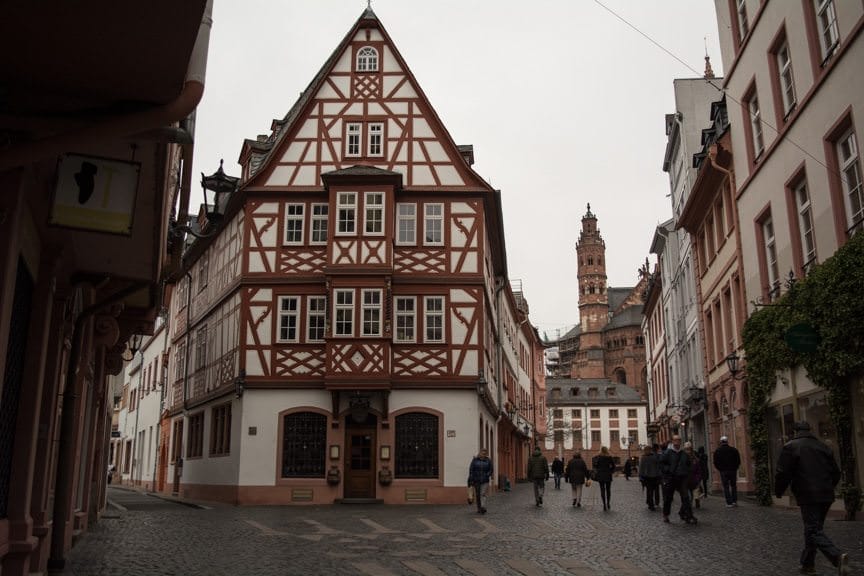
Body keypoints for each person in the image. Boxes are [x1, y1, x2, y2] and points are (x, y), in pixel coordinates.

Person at [775, 421, 849, 575]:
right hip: (826, 494)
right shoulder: (823, 446)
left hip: (808, 494)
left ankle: (836, 556)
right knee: (814, 529)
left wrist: (779, 490)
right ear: (809, 430)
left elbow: (783, 472)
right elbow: (835, 472)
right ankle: (808, 565)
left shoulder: (791, 446)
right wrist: (829, 486)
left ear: (795, 431)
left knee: (813, 530)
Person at [659, 434, 696, 524]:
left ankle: (688, 515)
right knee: (668, 498)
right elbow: (661, 464)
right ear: (672, 441)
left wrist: (687, 472)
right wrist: (668, 470)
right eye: (675, 440)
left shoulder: (684, 453)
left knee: (686, 497)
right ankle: (666, 515)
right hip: (671, 478)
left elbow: (689, 464)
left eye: (679, 440)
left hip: (682, 478)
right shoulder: (667, 453)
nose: (677, 442)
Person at [713, 435, 741, 507]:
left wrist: (720, 469)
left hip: (723, 471)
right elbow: (738, 460)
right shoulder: (734, 450)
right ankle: (734, 501)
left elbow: (715, 462)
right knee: (733, 486)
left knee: (726, 486)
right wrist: (735, 467)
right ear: (727, 441)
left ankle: (729, 502)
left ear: (721, 442)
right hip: (732, 470)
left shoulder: (717, 451)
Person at [467, 448, 493, 514]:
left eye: (484, 453)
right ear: (479, 453)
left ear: (486, 454)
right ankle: (479, 508)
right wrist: (471, 478)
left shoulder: (488, 460)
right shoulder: (475, 460)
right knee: (478, 495)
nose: (483, 454)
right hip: (476, 480)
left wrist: (488, 474)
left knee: (483, 493)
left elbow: (491, 469)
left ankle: (483, 507)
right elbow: (471, 470)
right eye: (482, 453)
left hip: (485, 480)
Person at [638, 444, 661, 511]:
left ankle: (650, 503)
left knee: (649, 491)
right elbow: (658, 467)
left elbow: (641, 468)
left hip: (648, 477)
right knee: (652, 491)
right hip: (653, 476)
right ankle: (651, 503)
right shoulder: (654, 457)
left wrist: (640, 477)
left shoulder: (644, 458)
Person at [592, 446, 615, 511]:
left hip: (601, 475)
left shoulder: (599, 457)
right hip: (608, 474)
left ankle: (604, 504)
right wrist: (611, 471)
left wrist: (598, 469)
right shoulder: (609, 457)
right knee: (608, 490)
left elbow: (595, 465)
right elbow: (613, 466)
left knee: (602, 490)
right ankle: (608, 503)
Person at [683, 442, 703, 509]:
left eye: (689, 449)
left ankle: (697, 502)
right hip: (686, 480)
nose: (688, 451)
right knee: (688, 495)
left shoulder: (695, 459)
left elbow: (699, 470)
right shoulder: (682, 459)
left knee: (696, 493)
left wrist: (698, 478)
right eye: (686, 449)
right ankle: (689, 506)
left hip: (694, 479)